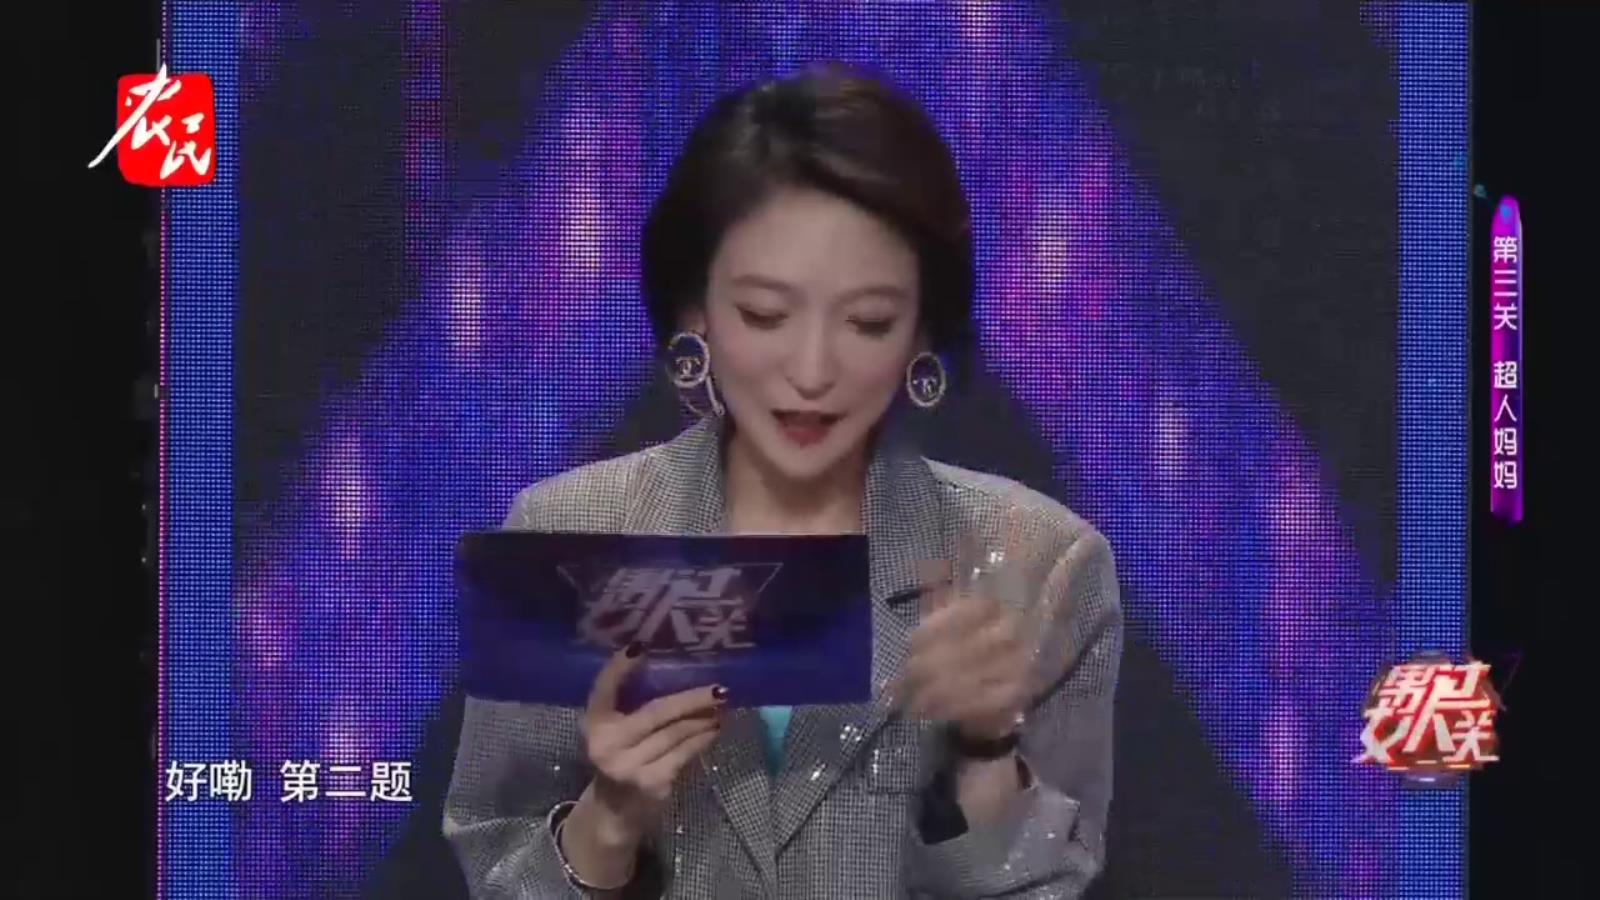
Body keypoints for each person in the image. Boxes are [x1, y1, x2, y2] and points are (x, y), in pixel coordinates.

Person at [442, 62, 1124, 897]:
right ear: (696, 313)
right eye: (764, 315)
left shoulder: (1040, 564)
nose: (811, 371)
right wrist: (608, 820)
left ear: (921, 331)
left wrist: (985, 754)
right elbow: (496, 865)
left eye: (868, 322)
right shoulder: (568, 537)